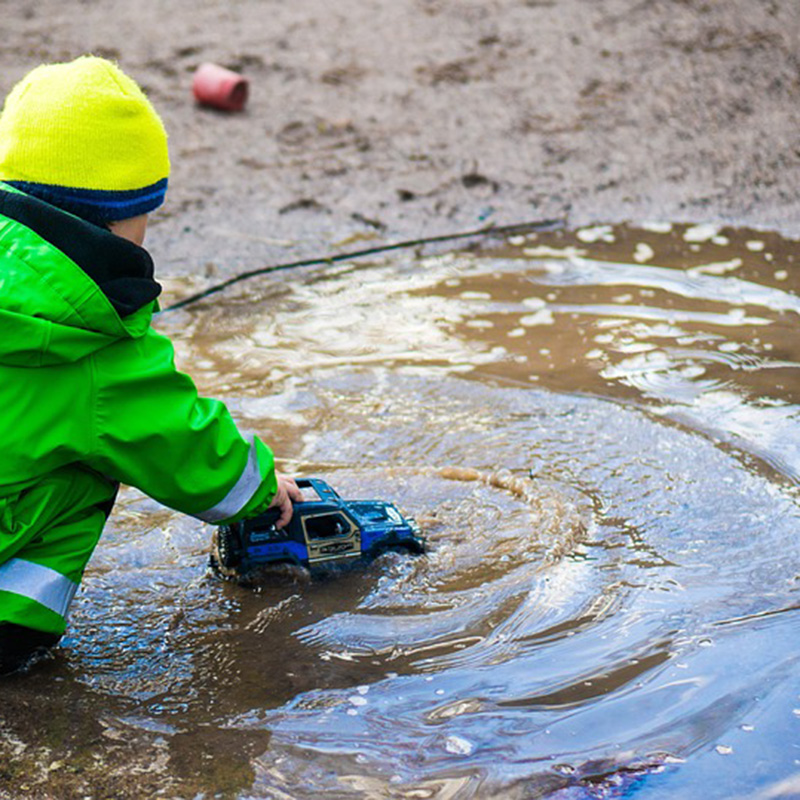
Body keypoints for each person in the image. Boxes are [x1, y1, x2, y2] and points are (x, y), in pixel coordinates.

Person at [0, 55, 303, 675]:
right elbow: (184, 446)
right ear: (123, 219)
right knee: (84, 468)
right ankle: (17, 636)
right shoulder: (95, 344)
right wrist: (264, 487)